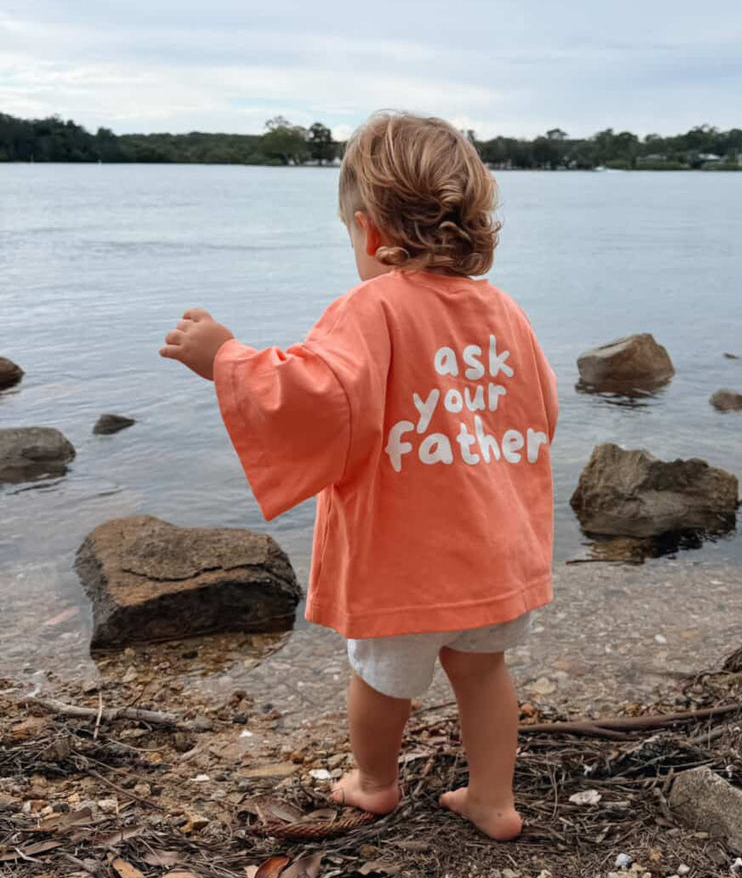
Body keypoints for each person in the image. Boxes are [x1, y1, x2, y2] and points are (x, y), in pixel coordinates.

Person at [160, 112, 558, 840]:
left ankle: (375, 782)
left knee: (380, 676)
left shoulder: (370, 309)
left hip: (405, 559)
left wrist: (226, 360)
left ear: (369, 231)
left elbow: (315, 398)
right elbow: (541, 411)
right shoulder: (507, 312)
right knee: (483, 672)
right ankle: (493, 800)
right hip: (495, 550)